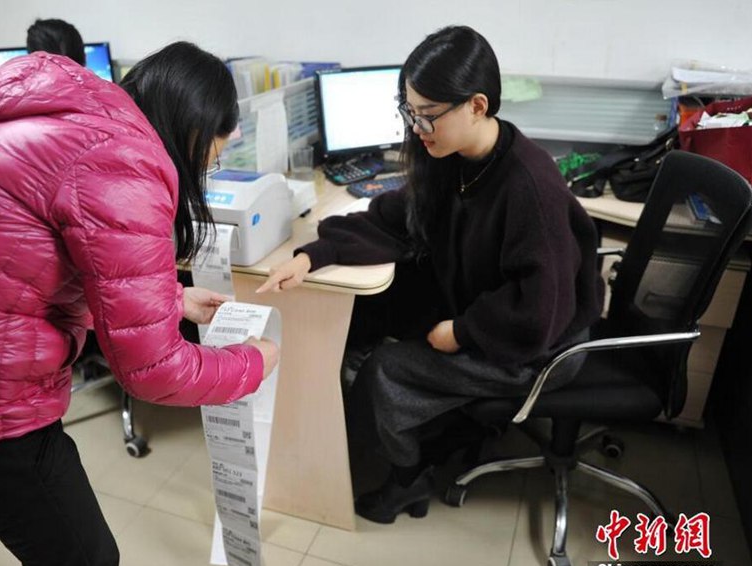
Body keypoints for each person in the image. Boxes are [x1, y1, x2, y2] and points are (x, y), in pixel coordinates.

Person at [0, 41, 279, 566]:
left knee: (78, 556)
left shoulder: (66, 122)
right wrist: (255, 362)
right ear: (193, 131)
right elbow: (154, 371)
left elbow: (23, 261)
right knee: (84, 562)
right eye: (211, 158)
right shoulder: (123, 160)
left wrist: (172, 299)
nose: (206, 171)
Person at [258, 25, 604, 524]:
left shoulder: (529, 186)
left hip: (542, 344)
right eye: (410, 112)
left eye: (428, 115)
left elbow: (539, 308)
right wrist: (315, 254)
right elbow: (397, 218)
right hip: (495, 311)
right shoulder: (455, 158)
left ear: (477, 106)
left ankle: (408, 479)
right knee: (375, 310)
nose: (417, 128)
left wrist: (462, 331)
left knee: (386, 370)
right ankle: (402, 437)